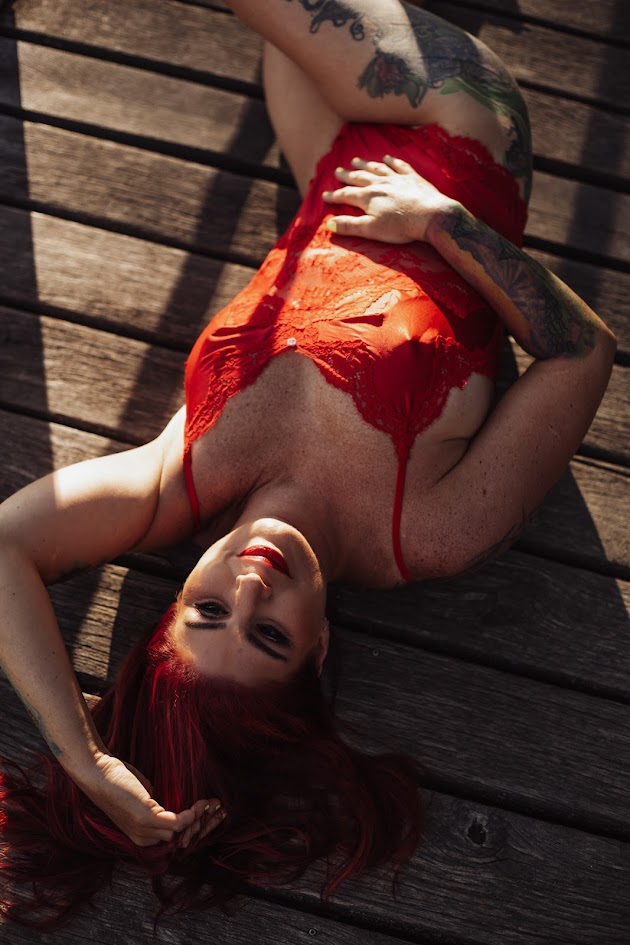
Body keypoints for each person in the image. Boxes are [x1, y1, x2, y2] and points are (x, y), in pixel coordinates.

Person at [0, 0, 616, 928]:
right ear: (319, 647)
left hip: (325, 152)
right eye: (269, 636)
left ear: (178, 594)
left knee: (279, 39)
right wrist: (444, 223)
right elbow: (583, 351)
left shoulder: (177, 483)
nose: (250, 585)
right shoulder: (428, 530)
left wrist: (86, 759)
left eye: (209, 611)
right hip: (454, 126)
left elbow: (4, 546)